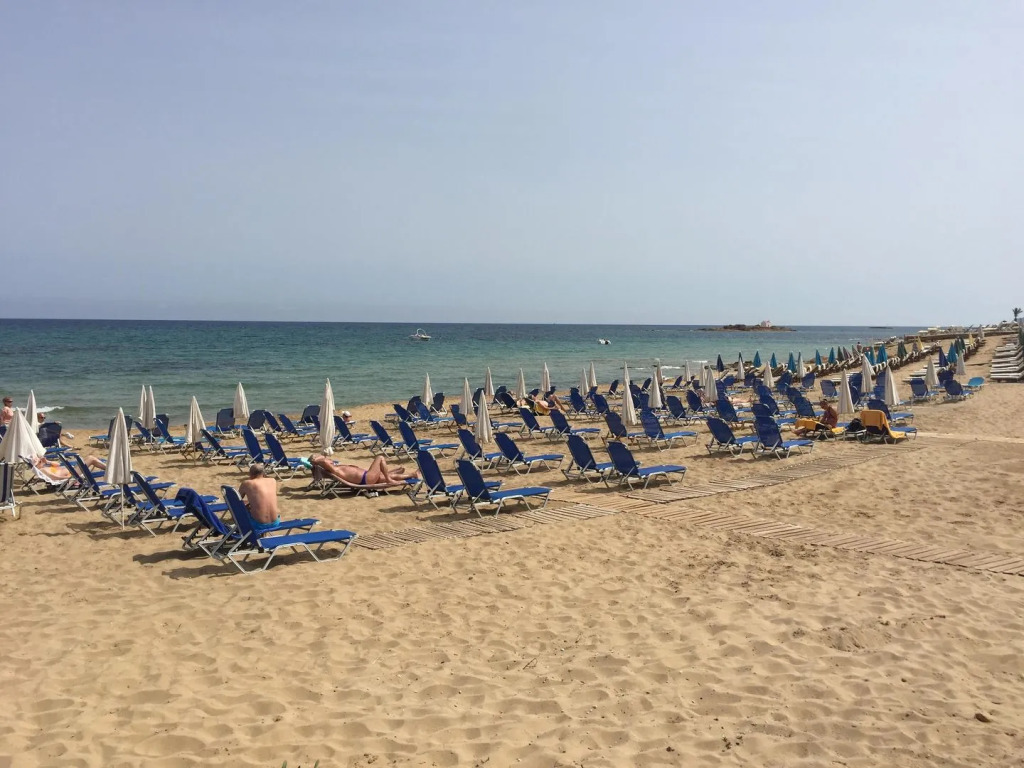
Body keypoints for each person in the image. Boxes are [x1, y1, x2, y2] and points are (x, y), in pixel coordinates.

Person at [309, 453, 418, 486]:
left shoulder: (335, 468)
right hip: (366, 478)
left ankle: (412, 474)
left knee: (382, 477)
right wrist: (315, 458)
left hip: (366, 477)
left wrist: (319, 458)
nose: (329, 459)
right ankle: (389, 478)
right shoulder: (334, 469)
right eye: (327, 460)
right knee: (380, 458)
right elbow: (321, 461)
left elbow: (323, 461)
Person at [238, 463, 281, 531]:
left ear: (251, 474)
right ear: (263, 473)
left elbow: (236, 500)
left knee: (242, 509)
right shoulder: (273, 481)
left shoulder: (247, 483)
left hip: (258, 524)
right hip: (275, 523)